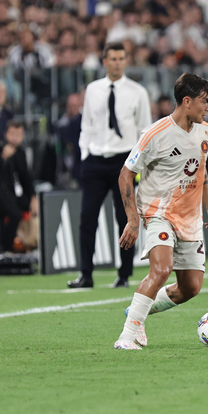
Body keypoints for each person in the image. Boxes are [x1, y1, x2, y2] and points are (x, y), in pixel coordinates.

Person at [113, 73, 208, 350]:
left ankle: (138, 311)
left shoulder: (205, 131)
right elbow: (126, 175)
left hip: (191, 218)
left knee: (191, 288)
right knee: (161, 269)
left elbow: (201, 169)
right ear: (187, 101)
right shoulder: (155, 134)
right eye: (204, 101)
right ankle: (127, 336)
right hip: (158, 212)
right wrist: (133, 220)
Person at [68, 42, 152, 289]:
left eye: (121, 58)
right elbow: (88, 124)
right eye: (112, 58)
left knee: (125, 219)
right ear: (104, 62)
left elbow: (144, 131)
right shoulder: (93, 89)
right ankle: (86, 274)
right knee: (87, 219)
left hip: (124, 162)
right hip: (95, 159)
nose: (117, 62)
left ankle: (124, 274)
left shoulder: (138, 92)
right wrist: (85, 154)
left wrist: (139, 166)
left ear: (126, 61)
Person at [0, 121, 38, 253]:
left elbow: (25, 177)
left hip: (13, 195)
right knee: (14, 213)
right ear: (6, 134)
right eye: (12, 133)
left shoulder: (21, 153)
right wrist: (3, 157)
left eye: (19, 134)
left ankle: (25, 244)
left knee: (26, 208)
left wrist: (33, 197)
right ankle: (6, 248)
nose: (15, 137)